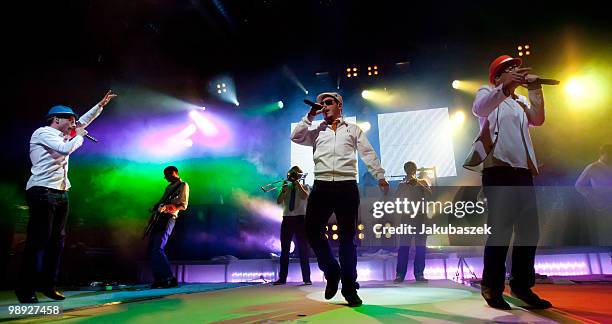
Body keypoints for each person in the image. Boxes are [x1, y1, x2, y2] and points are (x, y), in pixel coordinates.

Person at [16, 90, 117, 303]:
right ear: (57, 119)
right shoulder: (43, 133)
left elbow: (83, 121)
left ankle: (48, 285)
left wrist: (100, 105)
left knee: (57, 242)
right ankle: (25, 289)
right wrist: (79, 136)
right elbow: (64, 149)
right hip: (42, 190)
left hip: (61, 192)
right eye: (70, 120)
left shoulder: (65, 132)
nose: (74, 123)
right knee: (38, 240)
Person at [291, 92, 389, 307]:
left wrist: (379, 175)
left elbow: (367, 153)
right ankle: (331, 270)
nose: (324, 106)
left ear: (339, 106)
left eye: (328, 103)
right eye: (322, 103)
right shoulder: (316, 131)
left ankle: (349, 286)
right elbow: (296, 136)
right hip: (322, 185)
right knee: (311, 231)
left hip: (346, 186)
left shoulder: (352, 129)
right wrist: (310, 114)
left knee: (347, 239)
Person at [469, 55, 552, 309]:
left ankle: (521, 285)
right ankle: (492, 287)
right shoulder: (488, 93)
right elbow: (480, 109)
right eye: (510, 69)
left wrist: (535, 87)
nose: (516, 71)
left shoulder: (520, 101)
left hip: (522, 171)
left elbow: (537, 119)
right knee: (501, 231)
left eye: (517, 68)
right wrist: (504, 87)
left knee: (529, 231)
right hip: (498, 169)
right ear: (498, 75)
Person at [148, 166, 189, 288]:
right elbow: (162, 201)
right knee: (153, 249)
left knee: (158, 248)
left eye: (166, 174)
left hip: (169, 218)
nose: (165, 177)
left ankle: (169, 278)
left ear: (174, 173)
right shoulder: (168, 187)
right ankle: (160, 279)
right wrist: (155, 207)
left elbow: (183, 205)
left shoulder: (183, 185)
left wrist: (170, 207)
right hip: (159, 218)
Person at [273, 166, 312, 286]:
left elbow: (305, 197)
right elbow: (279, 201)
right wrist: (284, 190)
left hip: (301, 218)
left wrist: (297, 184)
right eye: (292, 175)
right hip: (287, 219)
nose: (293, 177)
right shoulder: (286, 188)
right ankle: (282, 278)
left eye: (295, 175)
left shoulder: (305, 186)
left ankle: (306, 278)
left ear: (299, 176)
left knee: (303, 248)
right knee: (284, 249)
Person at [394, 161, 430, 283]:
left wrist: (419, 183)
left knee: (421, 247)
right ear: (405, 170)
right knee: (404, 246)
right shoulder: (401, 184)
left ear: (415, 169)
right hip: (407, 217)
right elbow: (397, 198)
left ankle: (419, 273)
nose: (410, 170)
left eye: (412, 168)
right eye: (408, 168)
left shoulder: (423, 182)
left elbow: (430, 195)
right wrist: (406, 185)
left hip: (420, 217)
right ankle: (400, 274)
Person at [575, 144, 612, 245]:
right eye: (609, 154)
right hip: (602, 206)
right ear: (602, 154)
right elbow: (578, 185)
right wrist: (591, 197)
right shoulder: (592, 167)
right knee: (605, 233)